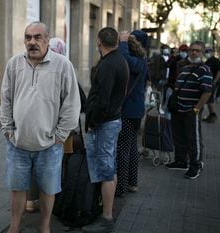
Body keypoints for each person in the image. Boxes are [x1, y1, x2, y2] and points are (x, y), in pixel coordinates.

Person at [0, 21, 81, 233]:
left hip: (50, 145)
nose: (32, 42)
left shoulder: (63, 65)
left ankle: (44, 227)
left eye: (37, 37)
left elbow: (72, 104)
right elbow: (5, 99)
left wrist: (60, 136)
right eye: (28, 37)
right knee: (17, 188)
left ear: (47, 40)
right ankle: (14, 227)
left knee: (48, 189)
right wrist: (8, 130)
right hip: (17, 143)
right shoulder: (14, 64)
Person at [82, 27, 129, 233]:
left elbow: (103, 99)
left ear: (99, 42)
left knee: (106, 170)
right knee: (108, 167)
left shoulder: (110, 64)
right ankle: (105, 211)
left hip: (105, 124)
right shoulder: (118, 60)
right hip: (110, 121)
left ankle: (107, 218)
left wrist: (94, 122)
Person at [25, 37, 68, 213]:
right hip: (50, 131)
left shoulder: (33, 68)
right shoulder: (62, 70)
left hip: (31, 129)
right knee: (48, 170)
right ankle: (45, 208)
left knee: (32, 166)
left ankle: (29, 201)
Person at [165, 41, 213, 180]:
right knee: (178, 137)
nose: (194, 52)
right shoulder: (184, 68)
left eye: (197, 50)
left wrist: (196, 109)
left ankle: (195, 166)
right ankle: (181, 161)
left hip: (191, 111)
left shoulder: (205, 70)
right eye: (192, 50)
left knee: (193, 140)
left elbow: (207, 92)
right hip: (178, 110)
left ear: (202, 53)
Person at [115, 30, 149, 197]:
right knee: (131, 147)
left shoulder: (138, 61)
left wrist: (122, 43)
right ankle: (132, 183)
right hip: (136, 111)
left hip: (129, 112)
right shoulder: (142, 60)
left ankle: (121, 187)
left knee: (123, 148)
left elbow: (125, 59)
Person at [203, 47, 220, 123]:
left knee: (210, 99)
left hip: (211, 82)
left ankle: (213, 115)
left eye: (208, 51)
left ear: (212, 52)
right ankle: (211, 115)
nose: (207, 53)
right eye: (206, 51)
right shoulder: (207, 61)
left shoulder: (215, 60)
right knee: (209, 99)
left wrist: (215, 81)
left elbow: (219, 71)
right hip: (207, 82)